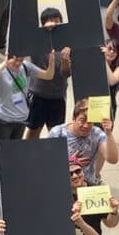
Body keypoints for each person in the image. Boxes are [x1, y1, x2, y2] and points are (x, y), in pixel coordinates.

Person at [69, 155, 119, 235]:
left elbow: (110, 224)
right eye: (70, 173)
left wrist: (114, 211)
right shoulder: (59, 196)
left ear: (83, 171)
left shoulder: (95, 192)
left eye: (78, 171)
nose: (75, 176)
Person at [24, 9, 74, 139]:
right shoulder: (37, 41)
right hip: (37, 95)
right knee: (33, 132)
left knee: (56, 135)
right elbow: (26, 33)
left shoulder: (67, 45)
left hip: (57, 96)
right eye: (49, 22)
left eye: (57, 22)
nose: (53, 25)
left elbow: (66, 74)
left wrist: (65, 61)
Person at [0, 50, 56, 140]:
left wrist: (51, 61)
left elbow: (48, 75)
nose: (18, 63)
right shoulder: (1, 70)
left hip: (21, 119)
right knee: (3, 150)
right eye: (15, 60)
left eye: (20, 60)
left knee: (16, 150)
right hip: (5, 120)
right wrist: (4, 63)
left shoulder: (26, 66)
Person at [47, 101, 119, 185]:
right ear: (74, 118)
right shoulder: (58, 132)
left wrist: (109, 133)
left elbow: (113, 159)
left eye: (90, 122)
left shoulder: (97, 134)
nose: (86, 125)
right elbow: (46, 161)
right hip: (62, 183)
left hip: (87, 184)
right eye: (82, 120)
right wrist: (70, 161)